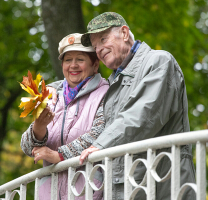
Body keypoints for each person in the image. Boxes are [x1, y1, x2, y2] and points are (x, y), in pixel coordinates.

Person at [48, 12, 196, 200]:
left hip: (164, 185)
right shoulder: (114, 81)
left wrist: (100, 145)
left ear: (125, 33)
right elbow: (84, 84)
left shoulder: (158, 62)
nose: (99, 49)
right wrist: (53, 89)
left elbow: (141, 116)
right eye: (95, 46)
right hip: (131, 186)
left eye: (103, 39)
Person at [20, 33, 109, 200]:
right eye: (68, 60)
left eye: (80, 59)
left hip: (87, 191)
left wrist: (59, 155)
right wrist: (38, 129)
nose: (73, 65)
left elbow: (101, 133)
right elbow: (26, 148)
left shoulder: (106, 93)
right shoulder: (50, 96)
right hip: (50, 193)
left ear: (95, 64)